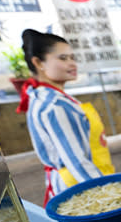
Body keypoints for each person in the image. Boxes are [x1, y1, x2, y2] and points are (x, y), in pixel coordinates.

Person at [17, 29, 115, 206]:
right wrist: (111, 197)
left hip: (82, 181)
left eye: (72, 58)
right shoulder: (55, 105)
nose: (72, 64)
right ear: (39, 62)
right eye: (63, 58)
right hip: (80, 189)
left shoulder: (45, 96)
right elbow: (77, 162)